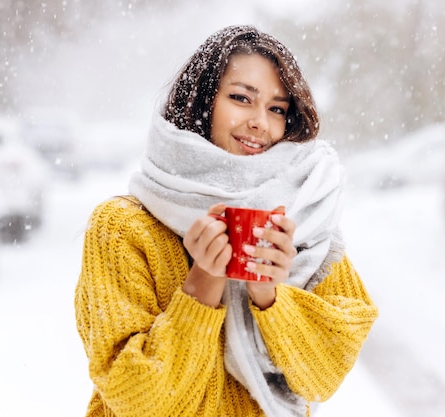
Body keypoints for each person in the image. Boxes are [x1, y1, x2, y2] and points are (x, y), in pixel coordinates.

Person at [74, 25, 378, 417]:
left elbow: (325, 374)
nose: (259, 122)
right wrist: (203, 281)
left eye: (276, 108)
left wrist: (269, 295)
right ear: (201, 102)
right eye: (240, 98)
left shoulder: (306, 221)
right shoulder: (123, 229)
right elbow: (137, 399)